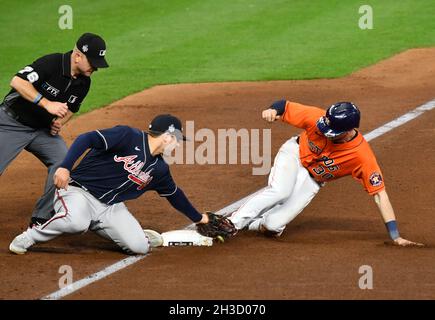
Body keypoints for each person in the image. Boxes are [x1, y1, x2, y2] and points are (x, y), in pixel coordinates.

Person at [229, 100, 423, 247]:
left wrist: (395, 235)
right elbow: (284, 106)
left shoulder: (362, 157)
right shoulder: (317, 118)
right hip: (294, 154)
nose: (326, 130)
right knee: (281, 191)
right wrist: (272, 111)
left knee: (273, 225)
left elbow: (380, 195)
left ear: (348, 131)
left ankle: (252, 223)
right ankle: (230, 223)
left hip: (313, 180)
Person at [9, 114, 211, 255]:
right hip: (78, 191)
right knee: (77, 223)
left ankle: (137, 234)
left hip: (110, 208)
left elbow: (174, 195)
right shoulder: (127, 136)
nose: (177, 145)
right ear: (167, 137)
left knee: (139, 247)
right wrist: (65, 167)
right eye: (177, 140)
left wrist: (200, 218)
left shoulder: (160, 169)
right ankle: (30, 236)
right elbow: (86, 138)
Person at [0, 33, 109, 228]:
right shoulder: (51, 63)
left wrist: (60, 122)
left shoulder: (84, 81)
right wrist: (46, 104)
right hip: (10, 123)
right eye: (92, 62)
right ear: (77, 56)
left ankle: (41, 218)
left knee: (63, 163)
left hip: (41, 131)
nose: (95, 67)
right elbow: (17, 81)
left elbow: (72, 108)